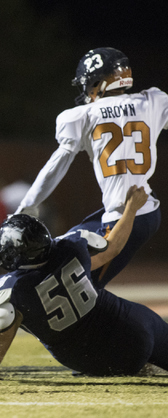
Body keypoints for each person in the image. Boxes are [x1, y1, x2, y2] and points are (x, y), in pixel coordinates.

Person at [0, 186, 168, 378]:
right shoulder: (71, 248)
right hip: (133, 324)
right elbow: (111, 249)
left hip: (99, 361)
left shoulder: (11, 292)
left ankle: (143, 366)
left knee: (120, 359)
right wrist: (131, 209)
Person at [15, 47, 167, 289]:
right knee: (65, 245)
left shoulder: (83, 115)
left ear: (98, 81)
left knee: (77, 288)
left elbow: (57, 164)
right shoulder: (152, 101)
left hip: (124, 216)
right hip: (145, 206)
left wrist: (28, 205)